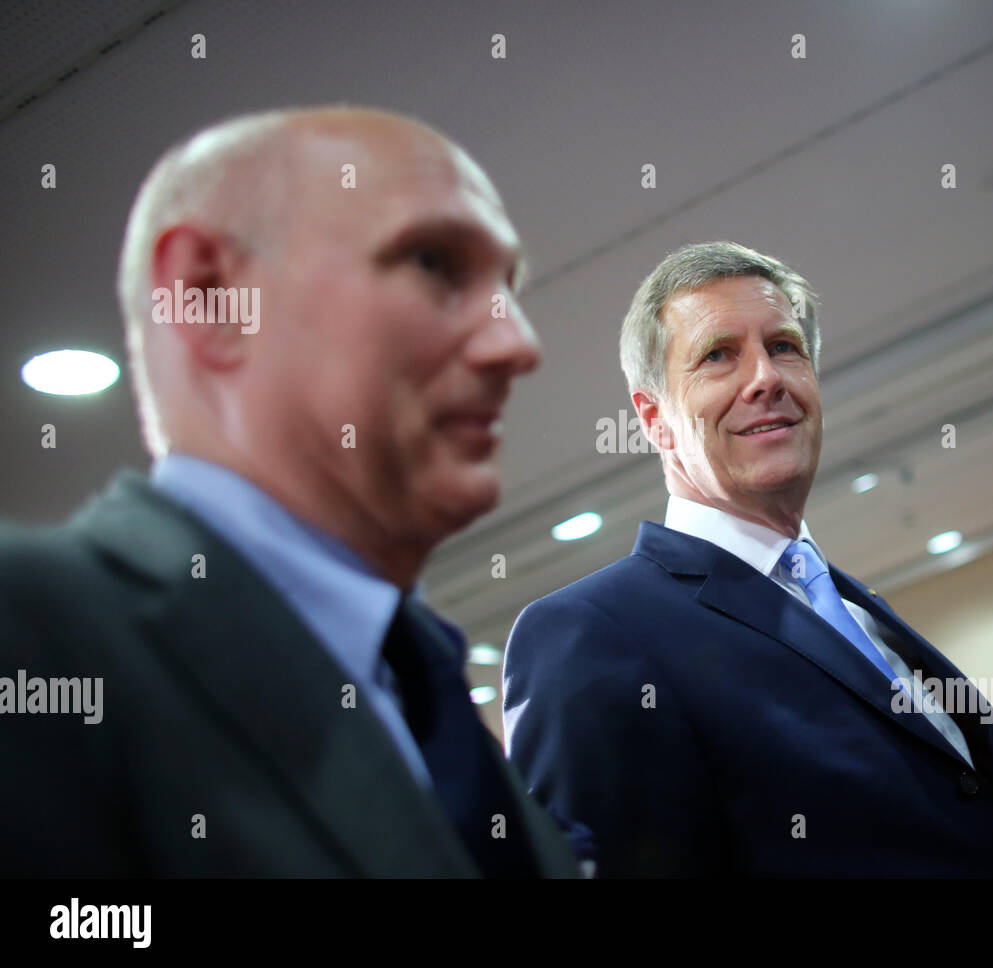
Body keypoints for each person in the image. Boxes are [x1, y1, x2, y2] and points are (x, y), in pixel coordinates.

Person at [0, 107, 576, 877]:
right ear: (207, 295)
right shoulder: (32, 634)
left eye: (509, 284)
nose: (518, 343)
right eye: (436, 263)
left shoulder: (439, 719)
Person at [502, 241, 993, 876]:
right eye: (718, 355)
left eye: (784, 347)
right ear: (654, 418)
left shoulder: (854, 610)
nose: (765, 377)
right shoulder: (590, 632)